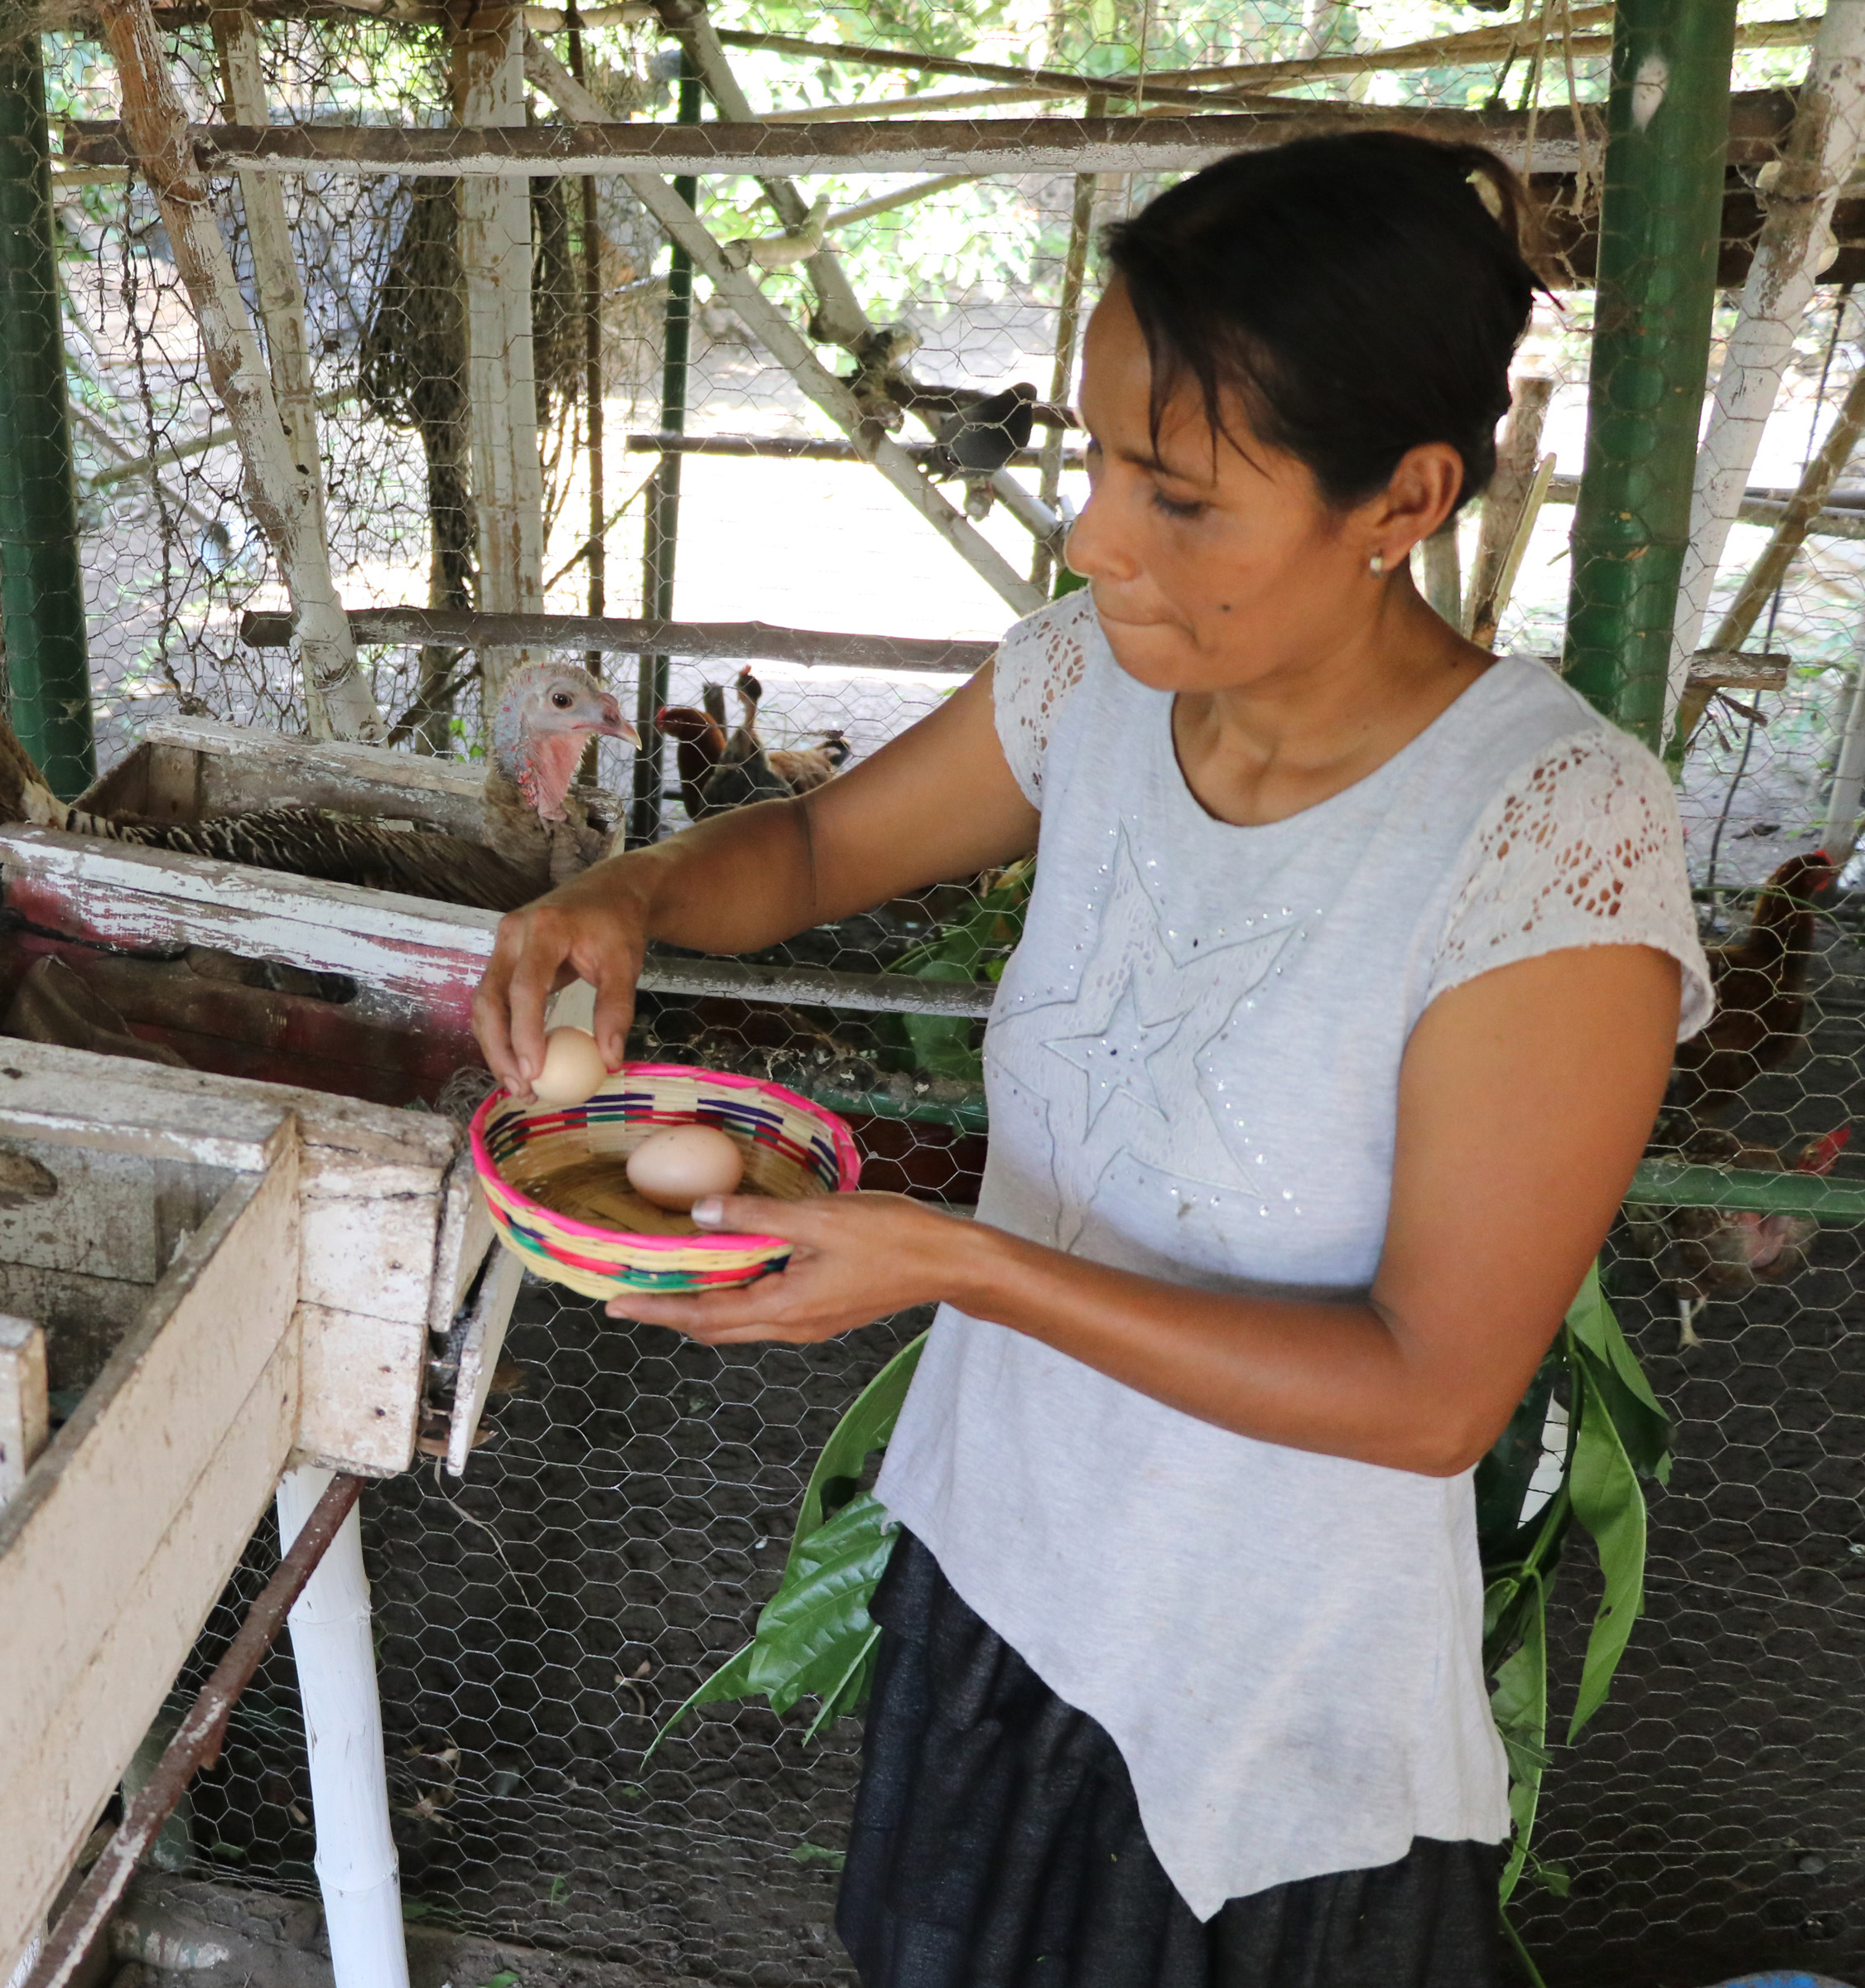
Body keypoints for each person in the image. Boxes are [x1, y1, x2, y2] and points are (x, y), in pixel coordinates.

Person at [473, 131, 1712, 1986]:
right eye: (1101, 456)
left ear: (1405, 499)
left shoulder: (1548, 843)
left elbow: (1428, 1394)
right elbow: (811, 853)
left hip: (1256, 1701)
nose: (1093, 536)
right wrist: (634, 894)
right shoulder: (1095, 682)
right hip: (1000, 1567)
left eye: (1181, 496)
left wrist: (960, 1261)